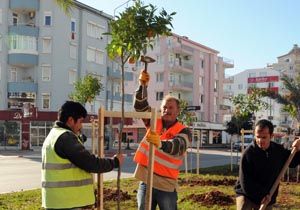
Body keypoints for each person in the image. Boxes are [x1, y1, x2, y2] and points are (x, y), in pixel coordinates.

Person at [41, 101, 124, 210]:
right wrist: (115, 162)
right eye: (80, 122)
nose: (81, 126)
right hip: (69, 202)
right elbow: (90, 163)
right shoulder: (66, 138)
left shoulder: (54, 135)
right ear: (70, 120)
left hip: (58, 202)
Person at [133, 70, 191, 210]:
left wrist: (160, 144)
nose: (167, 110)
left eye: (171, 108)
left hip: (166, 184)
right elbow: (140, 107)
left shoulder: (184, 130)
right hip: (146, 180)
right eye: (164, 107)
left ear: (178, 111)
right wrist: (142, 86)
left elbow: (178, 146)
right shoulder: (154, 121)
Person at [235, 119, 300, 210]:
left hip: (268, 195)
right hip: (247, 194)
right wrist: (261, 195)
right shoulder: (248, 154)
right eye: (258, 137)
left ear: (271, 136)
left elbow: (292, 162)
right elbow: (245, 182)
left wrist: (298, 149)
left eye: (264, 137)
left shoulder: (278, 150)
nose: (260, 140)